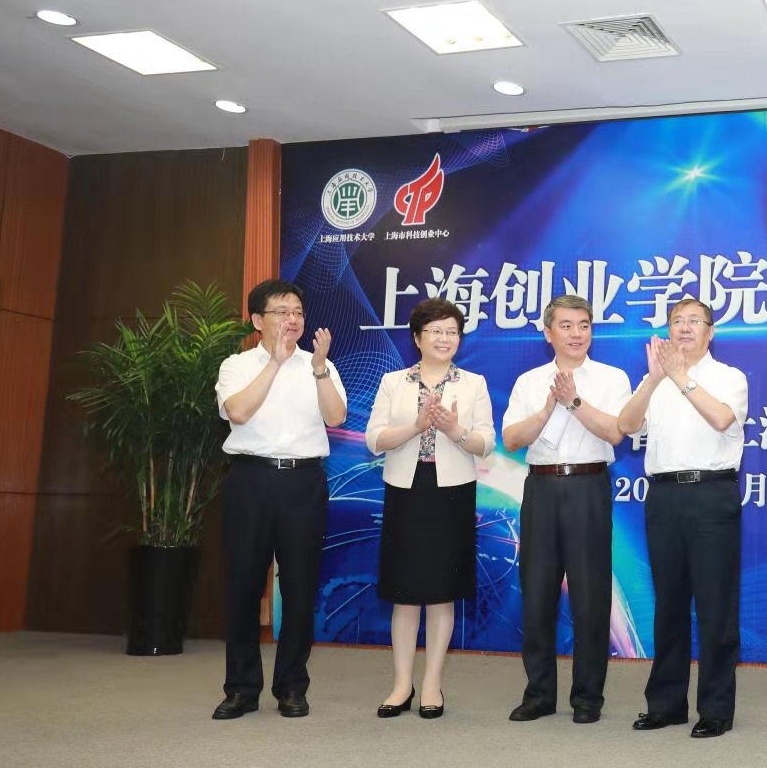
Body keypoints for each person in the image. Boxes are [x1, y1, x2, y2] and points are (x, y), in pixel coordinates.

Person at [211, 279, 347, 719]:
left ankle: (291, 686)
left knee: (300, 586)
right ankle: (241, 689)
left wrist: (319, 369)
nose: (292, 320)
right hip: (250, 479)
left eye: (298, 312)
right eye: (282, 312)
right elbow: (238, 412)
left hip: (303, 482)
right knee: (244, 584)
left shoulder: (319, 365)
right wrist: (275, 363)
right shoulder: (236, 365)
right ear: (257, 320)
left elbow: (336, 417)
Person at [616, 297, 749, 738]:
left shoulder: (729, 377)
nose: (685, 327)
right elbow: (625, 425)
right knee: (669, 604)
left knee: (715, 607)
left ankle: (715, 708)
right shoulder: (655, 379)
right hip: (664, 496)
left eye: (695, 321)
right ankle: (666, 704)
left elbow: (721, 418)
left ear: (711, 332)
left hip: (711, 495)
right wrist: (654, 380)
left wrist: (680, 377)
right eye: (677, 320)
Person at [501, 294, 632, 725]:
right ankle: (539, 694)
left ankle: (588, 698)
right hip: (541, 488)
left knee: (590, 596)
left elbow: (616, 432)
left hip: (588, 486)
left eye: (584, 325)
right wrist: (548, 408)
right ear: (548, 332)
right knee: (537, 592)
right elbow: (513, 440)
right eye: (567, 325)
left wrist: (574, 401)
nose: (577, 334)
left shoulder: (612, 378)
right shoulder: (529, 381)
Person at [364, 298, 494, 720]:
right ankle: (402, 684)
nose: (445, 338)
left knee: (441, 591)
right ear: (417, 338)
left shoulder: (473, 384)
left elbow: (486, 443)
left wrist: (454, 430)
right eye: (436, 331)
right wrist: (416, 426)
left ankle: (433, 683)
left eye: (452, 331)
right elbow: (374, 439)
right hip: (406, 489)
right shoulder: (394, 382)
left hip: (452, 492)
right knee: (404, 592)